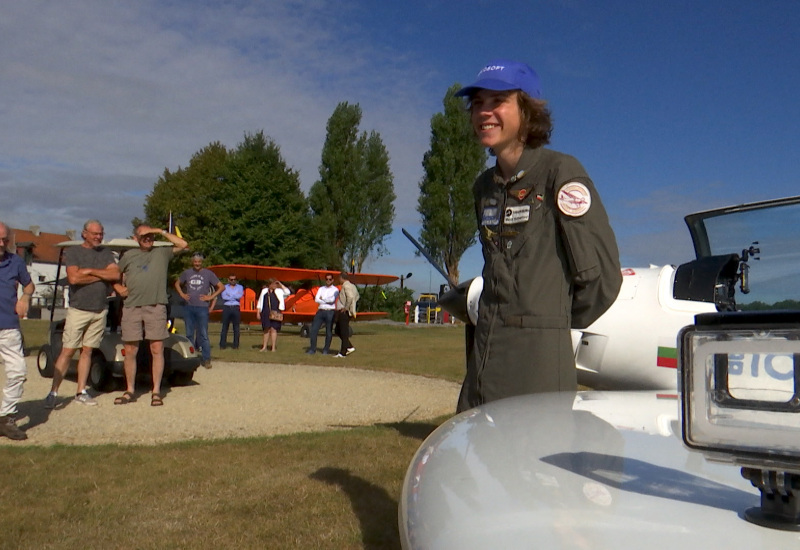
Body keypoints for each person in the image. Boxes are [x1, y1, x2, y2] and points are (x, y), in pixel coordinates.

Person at [454, 60, 622, 412]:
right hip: (484, 356)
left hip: (538, 365)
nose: (484, 112)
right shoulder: (483, 187)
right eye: (478, 103)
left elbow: (601, 281)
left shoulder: (560, 173)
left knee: (531, 462)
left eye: (497, 100)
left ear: (528, 110)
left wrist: (546, 320)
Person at [44, 220, 120, 409]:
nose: (98, 237)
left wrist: (91, 271)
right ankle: (53, 392)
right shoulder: (74, 252)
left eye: (101, 233)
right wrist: (102, 274)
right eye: (95, 233)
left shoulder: (106, 253)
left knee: (87, 351)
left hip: (99, 309)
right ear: (84, 233)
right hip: (79, 309)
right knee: (68, 350)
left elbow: (115, 275)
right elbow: (74, 278)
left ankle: (81, 391)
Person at [113, 224, 188, 407]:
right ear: (135, 238)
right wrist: (117, 287)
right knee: (130, 350)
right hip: (132, 307)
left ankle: (156, 391)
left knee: (157, 348)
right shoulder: (128, 256)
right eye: (143, 236)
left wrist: (158, 231)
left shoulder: (161, 253)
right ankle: (130, 390)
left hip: (155, 307)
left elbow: (184, 244)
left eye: (149, 236)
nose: (147, 239)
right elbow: (114, 275)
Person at [0, 222, 34, 440]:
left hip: (8, 327)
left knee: (18, 372)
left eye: (4, 239)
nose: (2, 244)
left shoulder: (16, 262)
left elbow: (29, 285)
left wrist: (25, 297)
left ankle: (5, 418)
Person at [174, 252, 223, 368]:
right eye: (195, 262)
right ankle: (191, 357)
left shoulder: (208, 274)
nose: (197, 264)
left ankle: (206, 359)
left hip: (202, 307)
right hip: (189, 307)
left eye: (199, 262)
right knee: (189, 334)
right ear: (192, 262)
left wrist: (210, 297)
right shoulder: (187, 273)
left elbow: (221, 287)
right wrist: (182, 294)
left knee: (203, 334)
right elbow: (177, 283)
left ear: (202, 263)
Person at [306, 274, 338, 355]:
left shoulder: (335, 290)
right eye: (326, 279)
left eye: (330, 279)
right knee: (314, 330)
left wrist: (322, 299)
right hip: (320, 311)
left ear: (333, 280)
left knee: (328, 332)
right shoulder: (321, 289)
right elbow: (316, 299)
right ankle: (312, 349)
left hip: (330, 311)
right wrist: (325, 300)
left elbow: (332, 300)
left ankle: (326, 350)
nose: (328, 281)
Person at [256, 279, 289, 352]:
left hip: (276, 312)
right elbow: (260, 301)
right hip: (266, 311)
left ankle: (273, 347)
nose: (275, 286)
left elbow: (287, 292)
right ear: (269, 284)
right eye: (274, 284)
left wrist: (280, 284)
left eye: (276, 284)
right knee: (266, 329)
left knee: (274, 329)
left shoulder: (279, 291)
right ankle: (264, 347)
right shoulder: (264, 291)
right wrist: (258, 312)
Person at [334, 272, 359, 358]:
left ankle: (343, 352)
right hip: (346, 311)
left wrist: (346, 307)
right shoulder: (353, 286)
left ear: (341, 278)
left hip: (344, 312)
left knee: (343, 331)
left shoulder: (346, 286)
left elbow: (351, 297)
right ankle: (349, 346)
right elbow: (357, 296)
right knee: (337, 330)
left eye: (339, 278)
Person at [219, 274, 244, 349]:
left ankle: (236, 345)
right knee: (224, 327)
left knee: (236, 327)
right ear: (228, 280)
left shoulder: (240, 287)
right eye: (231, 279)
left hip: (236, 307)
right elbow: (224, 297)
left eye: (234, 279)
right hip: (227, 307)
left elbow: (239, 296)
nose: (233, 281)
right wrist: (234, 295)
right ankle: (222, 345)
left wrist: (230, 295)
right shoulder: (224, 287)